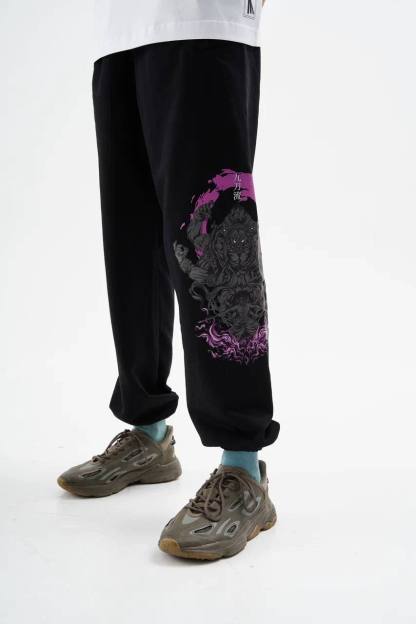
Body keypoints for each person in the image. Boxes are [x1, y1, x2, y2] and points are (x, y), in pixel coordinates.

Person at [58, 0, 280, 560]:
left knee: (215, 238)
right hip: (118, 32)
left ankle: (243, 466)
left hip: (204, 23)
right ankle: (149, 431)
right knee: (131, 242)